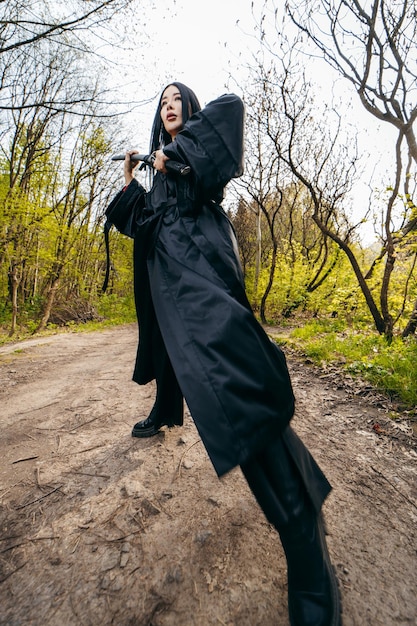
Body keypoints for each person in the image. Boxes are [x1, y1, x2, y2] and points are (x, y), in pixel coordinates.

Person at [105, 82, 342, 626]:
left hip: (200, 269)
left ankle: (303, 532)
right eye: (161, 100)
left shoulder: (194, 149)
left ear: (188, 108)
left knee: (231, 384)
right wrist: (134, 178)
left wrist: (174, 156)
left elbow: (231, 109)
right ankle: (169, 409)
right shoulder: (160, 172)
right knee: (196, 374)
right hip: (168, 285)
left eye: (177, 98)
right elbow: (138, 224)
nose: (168, 104)